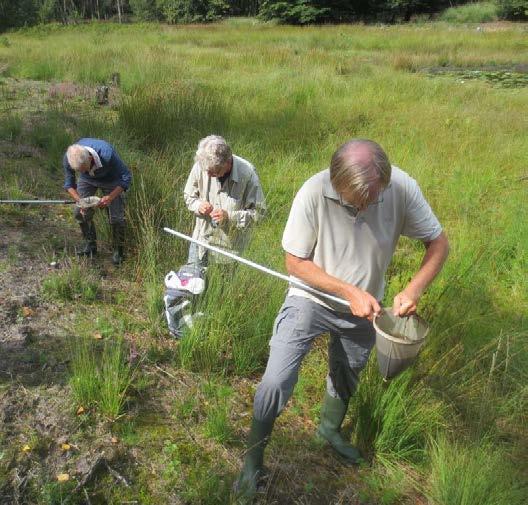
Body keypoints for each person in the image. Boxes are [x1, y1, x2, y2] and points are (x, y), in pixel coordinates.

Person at [234, 139, 449, 500]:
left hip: (366, 307)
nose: (362, 209)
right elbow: (295, 263)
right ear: (336, 182)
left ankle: (329, 430)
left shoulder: (402, 189)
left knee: (348, 371)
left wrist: (413, 290)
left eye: (371, 200)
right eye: (354, 202)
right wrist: (346, 291)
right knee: (276, 378)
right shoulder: (313, 192)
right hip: (311, 297)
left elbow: (438, 243)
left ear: (385, 180)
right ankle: (252, 461)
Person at [183, 135, 265, 270]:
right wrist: (198, 205)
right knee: (193, 284)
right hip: (200, 242)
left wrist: (229, 216)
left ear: (227, 163)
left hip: (229, 251)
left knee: (222, 289)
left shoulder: (248, 174)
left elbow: (259, 214)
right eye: (206, 171)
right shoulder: (202, 164)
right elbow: (189, 196)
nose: (208, 175)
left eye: (213, 172)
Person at [63, 139, 132, 265]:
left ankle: (118, 251)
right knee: (79, 213)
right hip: (87, 180)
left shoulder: (107, 154)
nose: (82, 172)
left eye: (83, 169)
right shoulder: (70, 158)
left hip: (111, 180)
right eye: (79, 171)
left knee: (117, 218)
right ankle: (90, 245)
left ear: (90, 158)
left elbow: (126, 177)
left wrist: (110, 197)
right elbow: (69, 184)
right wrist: (81, 201)